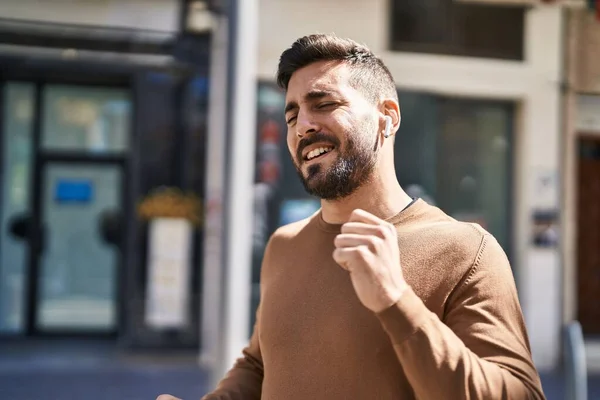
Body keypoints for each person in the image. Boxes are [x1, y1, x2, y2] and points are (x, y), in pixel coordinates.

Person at [158, 34, 545, 400]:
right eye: (292, 116)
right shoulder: (284, 245)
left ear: (388, 117)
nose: (303, 126)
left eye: (323, 104)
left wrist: (396, 300)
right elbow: (260, 364)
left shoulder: (466, 250)